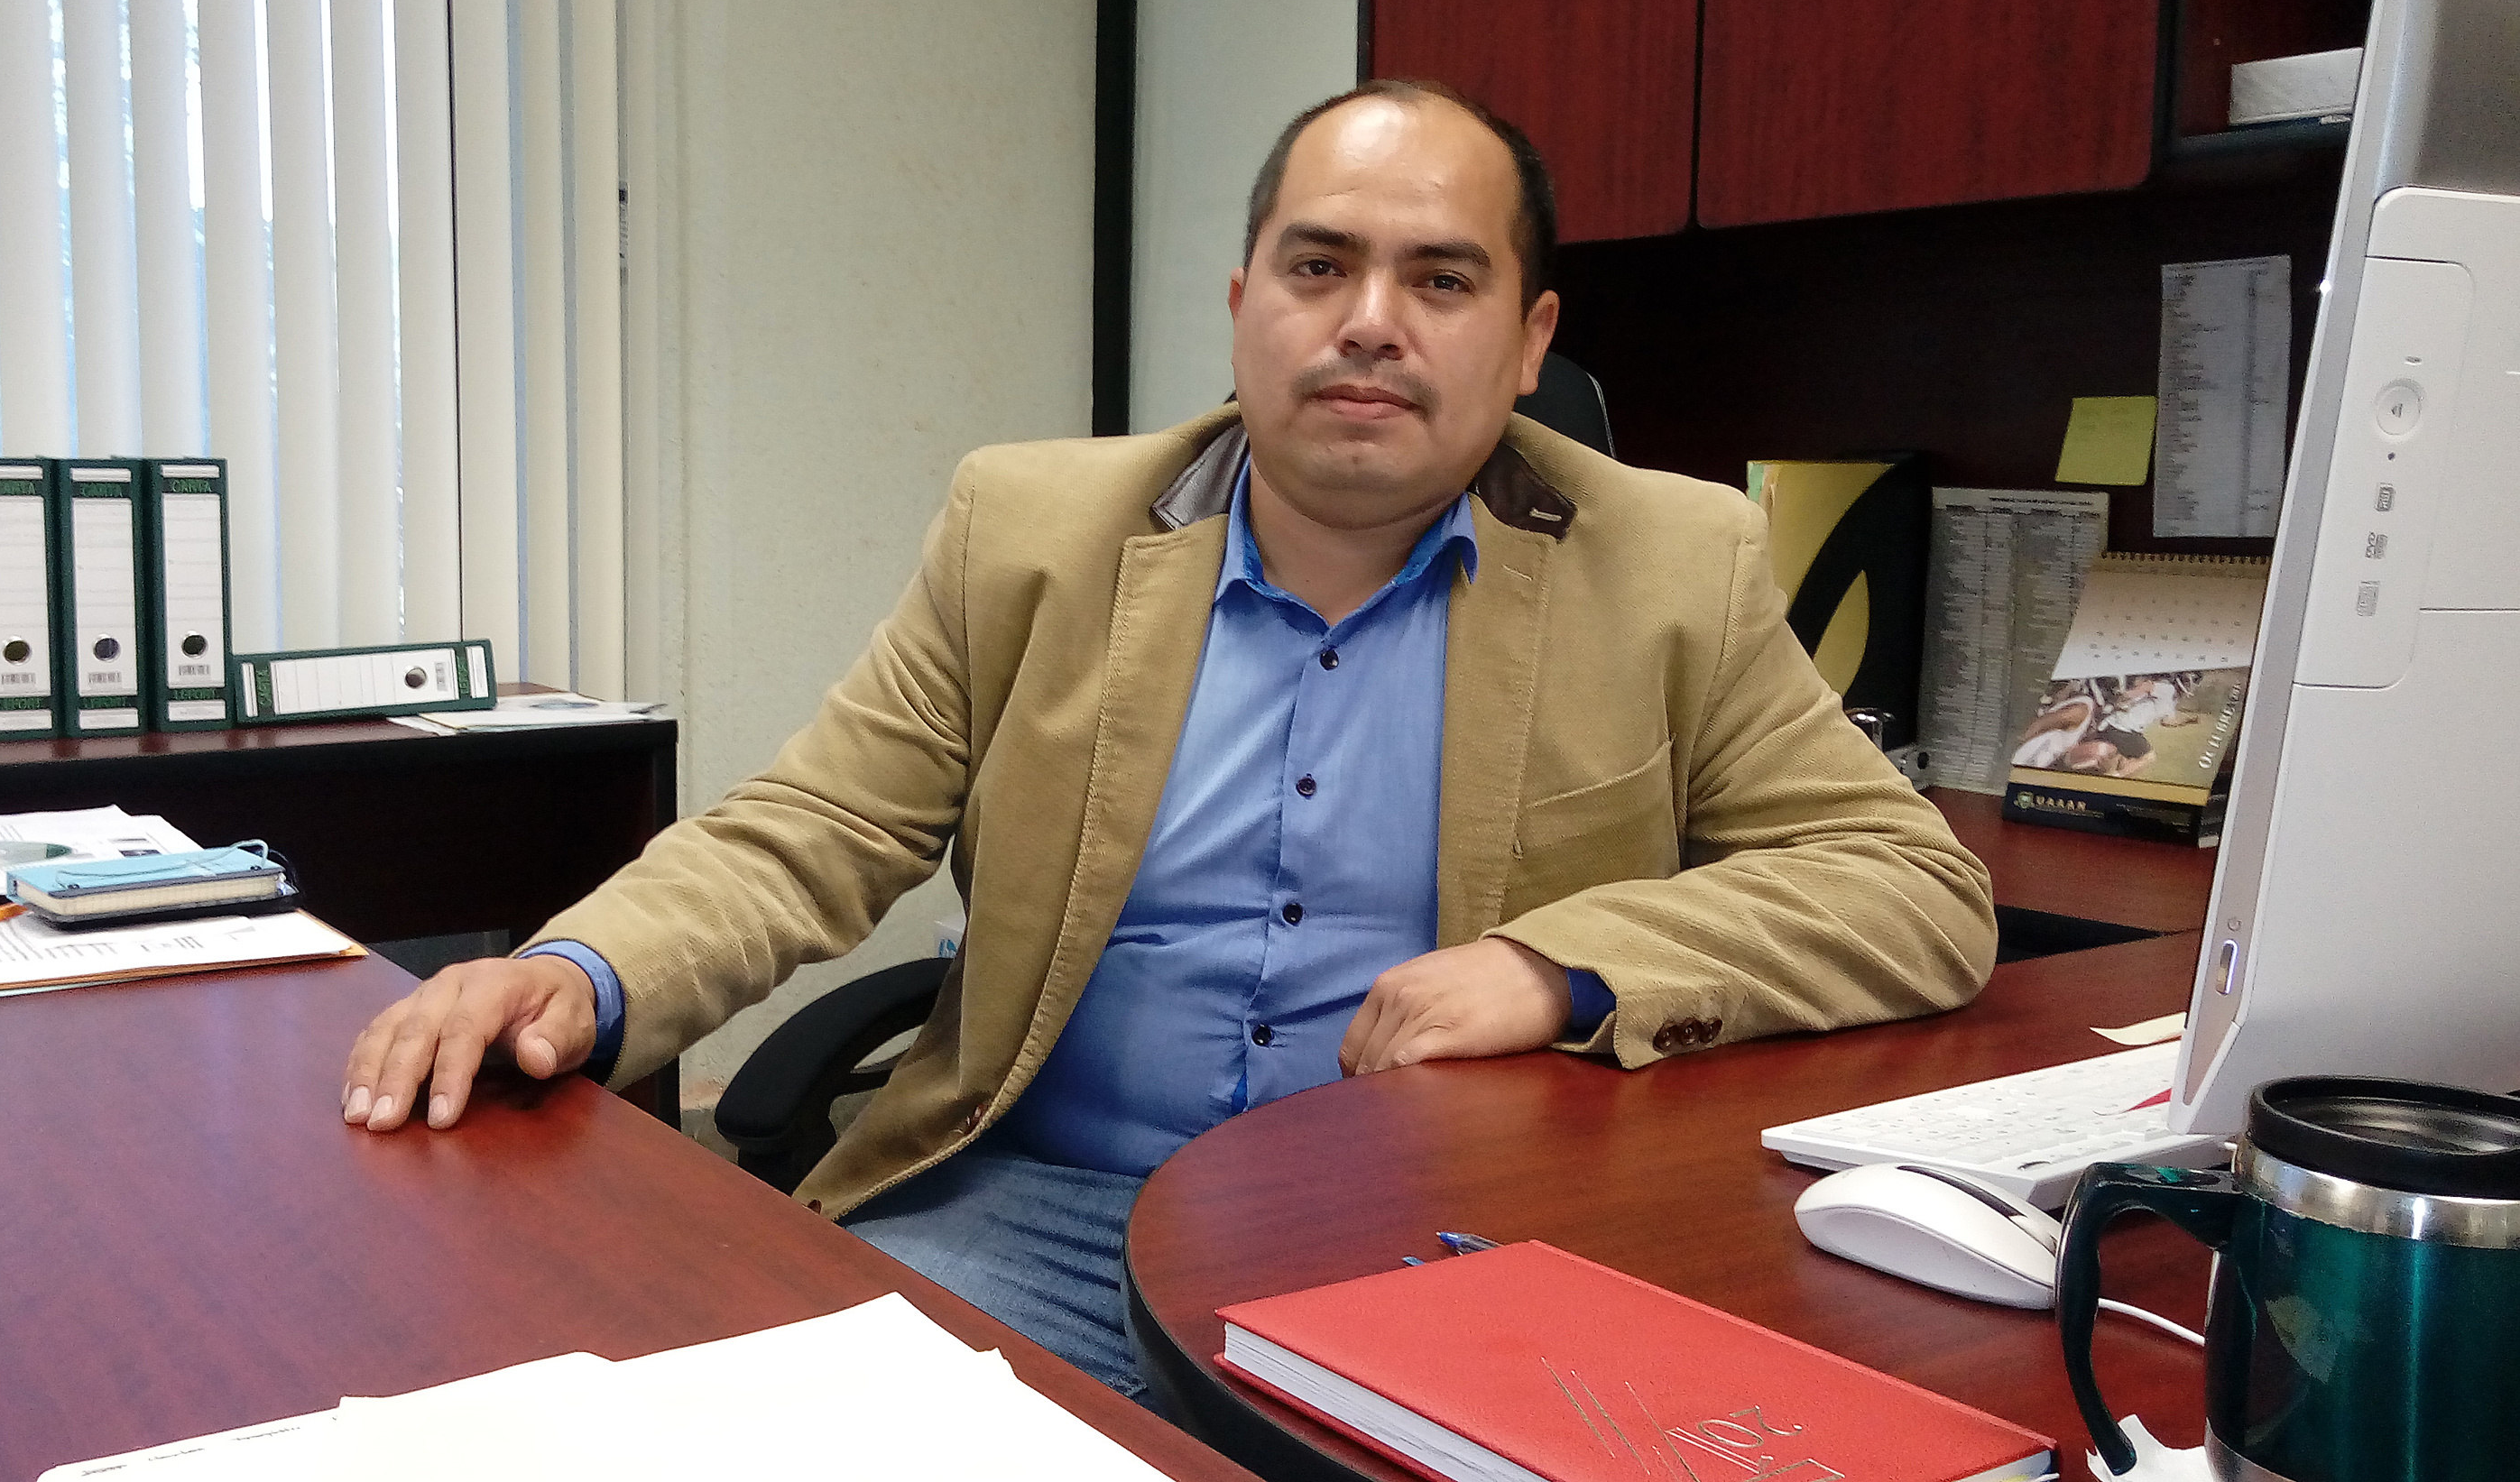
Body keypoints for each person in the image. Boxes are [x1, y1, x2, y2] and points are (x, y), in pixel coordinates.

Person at [338, 79, 1997, 1399]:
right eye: (1320, 265)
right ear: (1244, 302)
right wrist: (580, 975)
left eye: (1442, 280)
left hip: (1442, 1240)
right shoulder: (1032, 530)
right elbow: (814, 825)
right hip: (1042, 1207)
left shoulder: (1673, 562)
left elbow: (1911, 888)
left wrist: (1566, 969)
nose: (1369, 322)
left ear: (1533, 339)